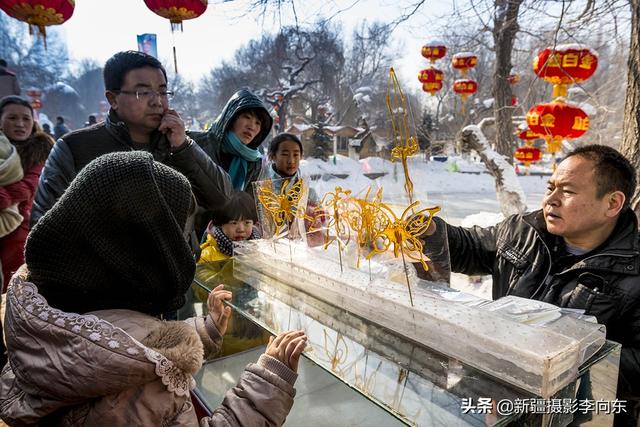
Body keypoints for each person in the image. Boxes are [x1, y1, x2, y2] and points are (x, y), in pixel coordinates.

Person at [0, 151, 307, 425]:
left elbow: (110, 344)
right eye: (180, 236)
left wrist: (200, 333)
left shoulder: (46, 315)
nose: (190, 250)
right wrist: (266, 387)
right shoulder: (151, 391)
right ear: (144, 256)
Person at [425, 145, 639, 425]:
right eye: (550, 187)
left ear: (612, 204)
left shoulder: (633, 270)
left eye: (568, 191)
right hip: (497, 397)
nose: (551, 199)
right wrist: (430, 231)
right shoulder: (524, 231)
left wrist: (559, 361)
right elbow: (471, 247)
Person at [30, 50, 233, 228]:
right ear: (113, 99)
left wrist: (183, 146)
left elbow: (222, 198)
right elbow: (46, 227)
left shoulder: (177, 143)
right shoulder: (74, 149)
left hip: (178, 270)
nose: (157, 101)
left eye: (162, 92)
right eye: (143, 92)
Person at [196, 191, 270, 356]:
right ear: (220, 224)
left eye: (247, 222)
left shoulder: (260, 248)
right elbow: (203, 289)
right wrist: (234, 266)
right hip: (229, 334)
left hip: (261, 328)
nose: (241, 229)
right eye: (233, 222)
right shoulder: (208, 254)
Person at [0, 96, 53, 292]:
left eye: (26, 119)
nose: (20, 124)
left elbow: (27, 187)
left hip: (20, 227)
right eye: (12, 118)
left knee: (14, 285)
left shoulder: (41, 151)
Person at [189, 88, 272, 195]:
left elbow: (252, 204)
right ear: (232, 118)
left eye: (258, 123)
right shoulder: (196, 143)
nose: (251, 127)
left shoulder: (254, 161)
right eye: (246, 117)